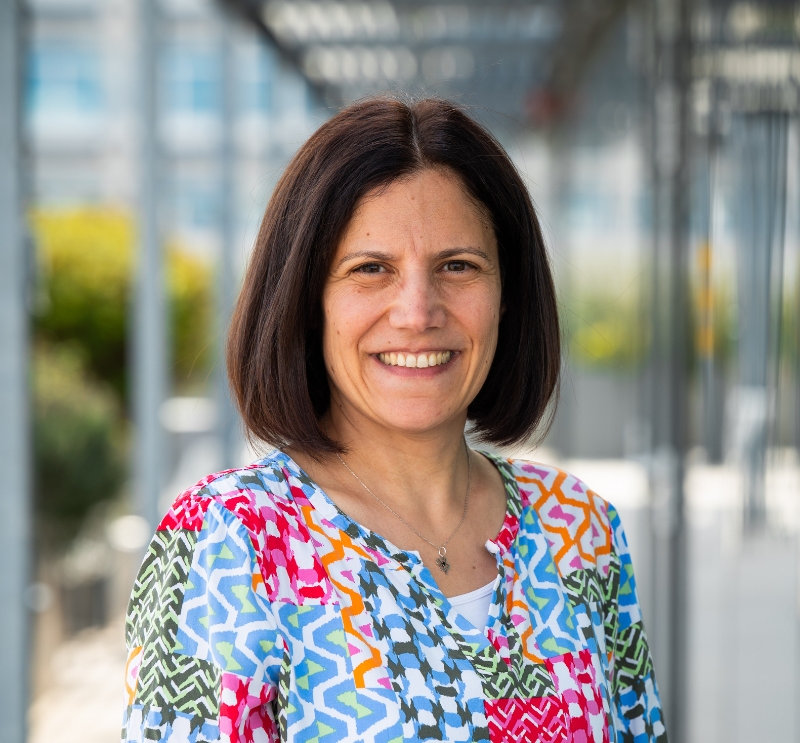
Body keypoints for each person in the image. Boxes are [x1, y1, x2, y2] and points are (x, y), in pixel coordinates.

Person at [122, 97, 667, 743]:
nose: (418, 311)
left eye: (457, 266)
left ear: (508, 297)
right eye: (371, 269)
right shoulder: (234, 545)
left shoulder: (582, 532)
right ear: (307, 301)